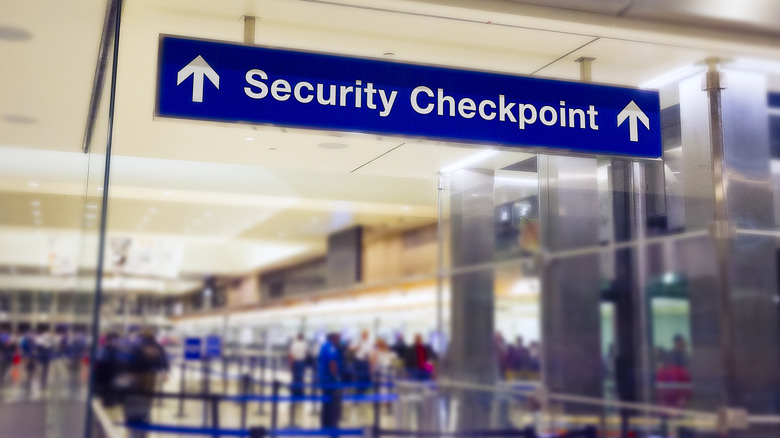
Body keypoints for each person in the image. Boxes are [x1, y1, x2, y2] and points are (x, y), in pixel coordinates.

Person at [122, 328, 169, 438]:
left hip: (137, 375)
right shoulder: (157, 345)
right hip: (151, 375)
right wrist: (165, 371)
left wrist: (128, 371)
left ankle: (136, 422)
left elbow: (130, 359)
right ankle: (145, 419)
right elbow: (163, 359)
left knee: (136, 397)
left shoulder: (136, 345)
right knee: (148, 398)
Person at [318, 333, 343, 430]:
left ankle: (325, 423)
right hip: (330, 380)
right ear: (333, 338)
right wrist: (336, 377)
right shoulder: (330, 348)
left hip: (325, 379)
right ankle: (330, 424)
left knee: (326, 402)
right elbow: (332, 363)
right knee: (330, 403)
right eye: (338, 338)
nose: (339, 340)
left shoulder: (324, 346)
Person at [288, 333, 308, 426]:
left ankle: (295, 394)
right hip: (302, 362)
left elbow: (291, 355)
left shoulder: (294, 344)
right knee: (301, 379)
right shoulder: (305, 344)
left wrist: (291, 365)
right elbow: (306, 354)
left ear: (297, 337)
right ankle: (300, 395)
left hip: (296, 362)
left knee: (295, 379)